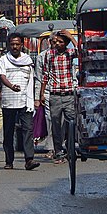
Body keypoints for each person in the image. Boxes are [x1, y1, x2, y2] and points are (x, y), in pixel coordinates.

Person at [0, 34, 39, 171]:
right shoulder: (4, 60)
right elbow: (1, 76)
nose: (15, 47)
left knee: (27, 130)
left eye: (17, 44)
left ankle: (29, 159)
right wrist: (10, 86)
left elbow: (32, 79)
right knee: (8, 131)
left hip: (25, 101)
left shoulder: (28, 60)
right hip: (9, 101)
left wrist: (34, 97)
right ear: (9, 45)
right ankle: (9, 160)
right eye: (12, 44)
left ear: (21, 45)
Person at [37, 30, 77, 164]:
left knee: (71, 123)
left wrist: (71, 37)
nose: (58, 44)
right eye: (56, 42)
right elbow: (45, 75)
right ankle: (58, 152)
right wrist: (42, 94)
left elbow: (83, 52)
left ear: (66, 43)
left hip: (69, 94)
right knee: (55, 125)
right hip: (54, 94)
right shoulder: (49, 55)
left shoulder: (70, 53)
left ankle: (71, 150)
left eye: (61, 42)